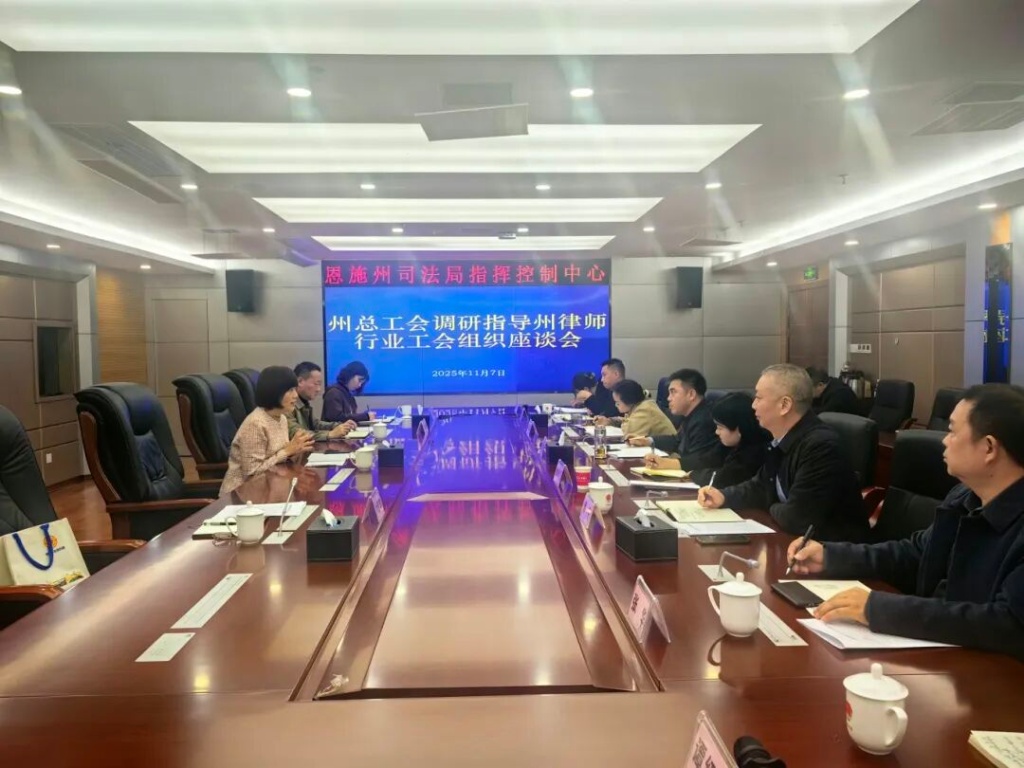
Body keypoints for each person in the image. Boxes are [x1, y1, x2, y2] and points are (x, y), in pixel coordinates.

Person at [790, 384, 1024, 659]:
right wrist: (830, 556)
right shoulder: (964, 497)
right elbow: (916, 553)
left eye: (952, 432)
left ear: (989, 448)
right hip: (944, 653)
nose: (944, 441)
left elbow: (1007, 624)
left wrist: (880, 609)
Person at [697, 364, 868, 542]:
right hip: (793, 540)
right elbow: (761, 486)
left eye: (758, 398)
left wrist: (769, 503)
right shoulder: (781, 439)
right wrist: (724, 496)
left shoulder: (820, 447)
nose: (753, 406)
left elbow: (797, 518)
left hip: (830, 550)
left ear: (784, 405)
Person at [220, 366, 314, 495]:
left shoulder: (281, 418)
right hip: (242, 495)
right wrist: (287, 451)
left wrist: (295, 450)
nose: (296, 396)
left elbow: (277, 456)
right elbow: (252, 473)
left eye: (295, 389)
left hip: (271, 488)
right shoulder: (256, 424)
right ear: (274, 392)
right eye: (290, 390)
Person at [628, 369, 723, 471]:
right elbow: (677, 440)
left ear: (691, 394)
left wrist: (666, 463)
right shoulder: (694, 413)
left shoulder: (704, 420)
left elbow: (700, 461)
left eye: (673, 392)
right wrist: (648, 441)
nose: (668, 398)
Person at [683, 393, 771, 487]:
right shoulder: (729, 445)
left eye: (720, 427)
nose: (717, 432)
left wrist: (693, 474)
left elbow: (723, 478)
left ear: (739, 428)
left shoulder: (755, 452)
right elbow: (707, 460)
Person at [287, 362, 358, 441]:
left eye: (320, 384)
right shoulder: (287, 405)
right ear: (300, 381)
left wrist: (339, 425)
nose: (319, 389)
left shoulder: (304, 403)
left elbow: (316, 424)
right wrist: (330, 434)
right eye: (316, 384)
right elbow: (298, 435)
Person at [600, 379, 676, 438]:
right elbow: (628, 421)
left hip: (666, 452)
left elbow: (628, 431)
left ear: (628, 400)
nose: (616, 405)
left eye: (617, 403)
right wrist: (609, 421)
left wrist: (616, 422)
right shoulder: (638, 406)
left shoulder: (645, 409)